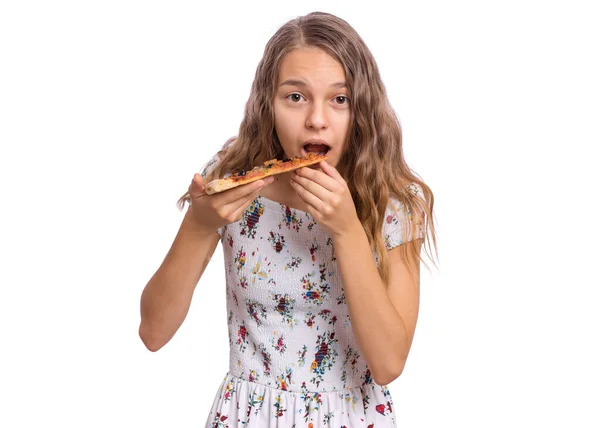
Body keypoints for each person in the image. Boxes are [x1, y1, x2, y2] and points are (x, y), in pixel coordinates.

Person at [139, 11, 438, 428]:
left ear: (362, 107)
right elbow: (153, 332)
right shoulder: (233, 179)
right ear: (269, 104)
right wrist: (200, 223)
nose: (317, 118)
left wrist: (348, 231)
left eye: (340, 99)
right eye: (295, 97)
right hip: (246, 417)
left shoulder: (395, 204)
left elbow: (388, 364)